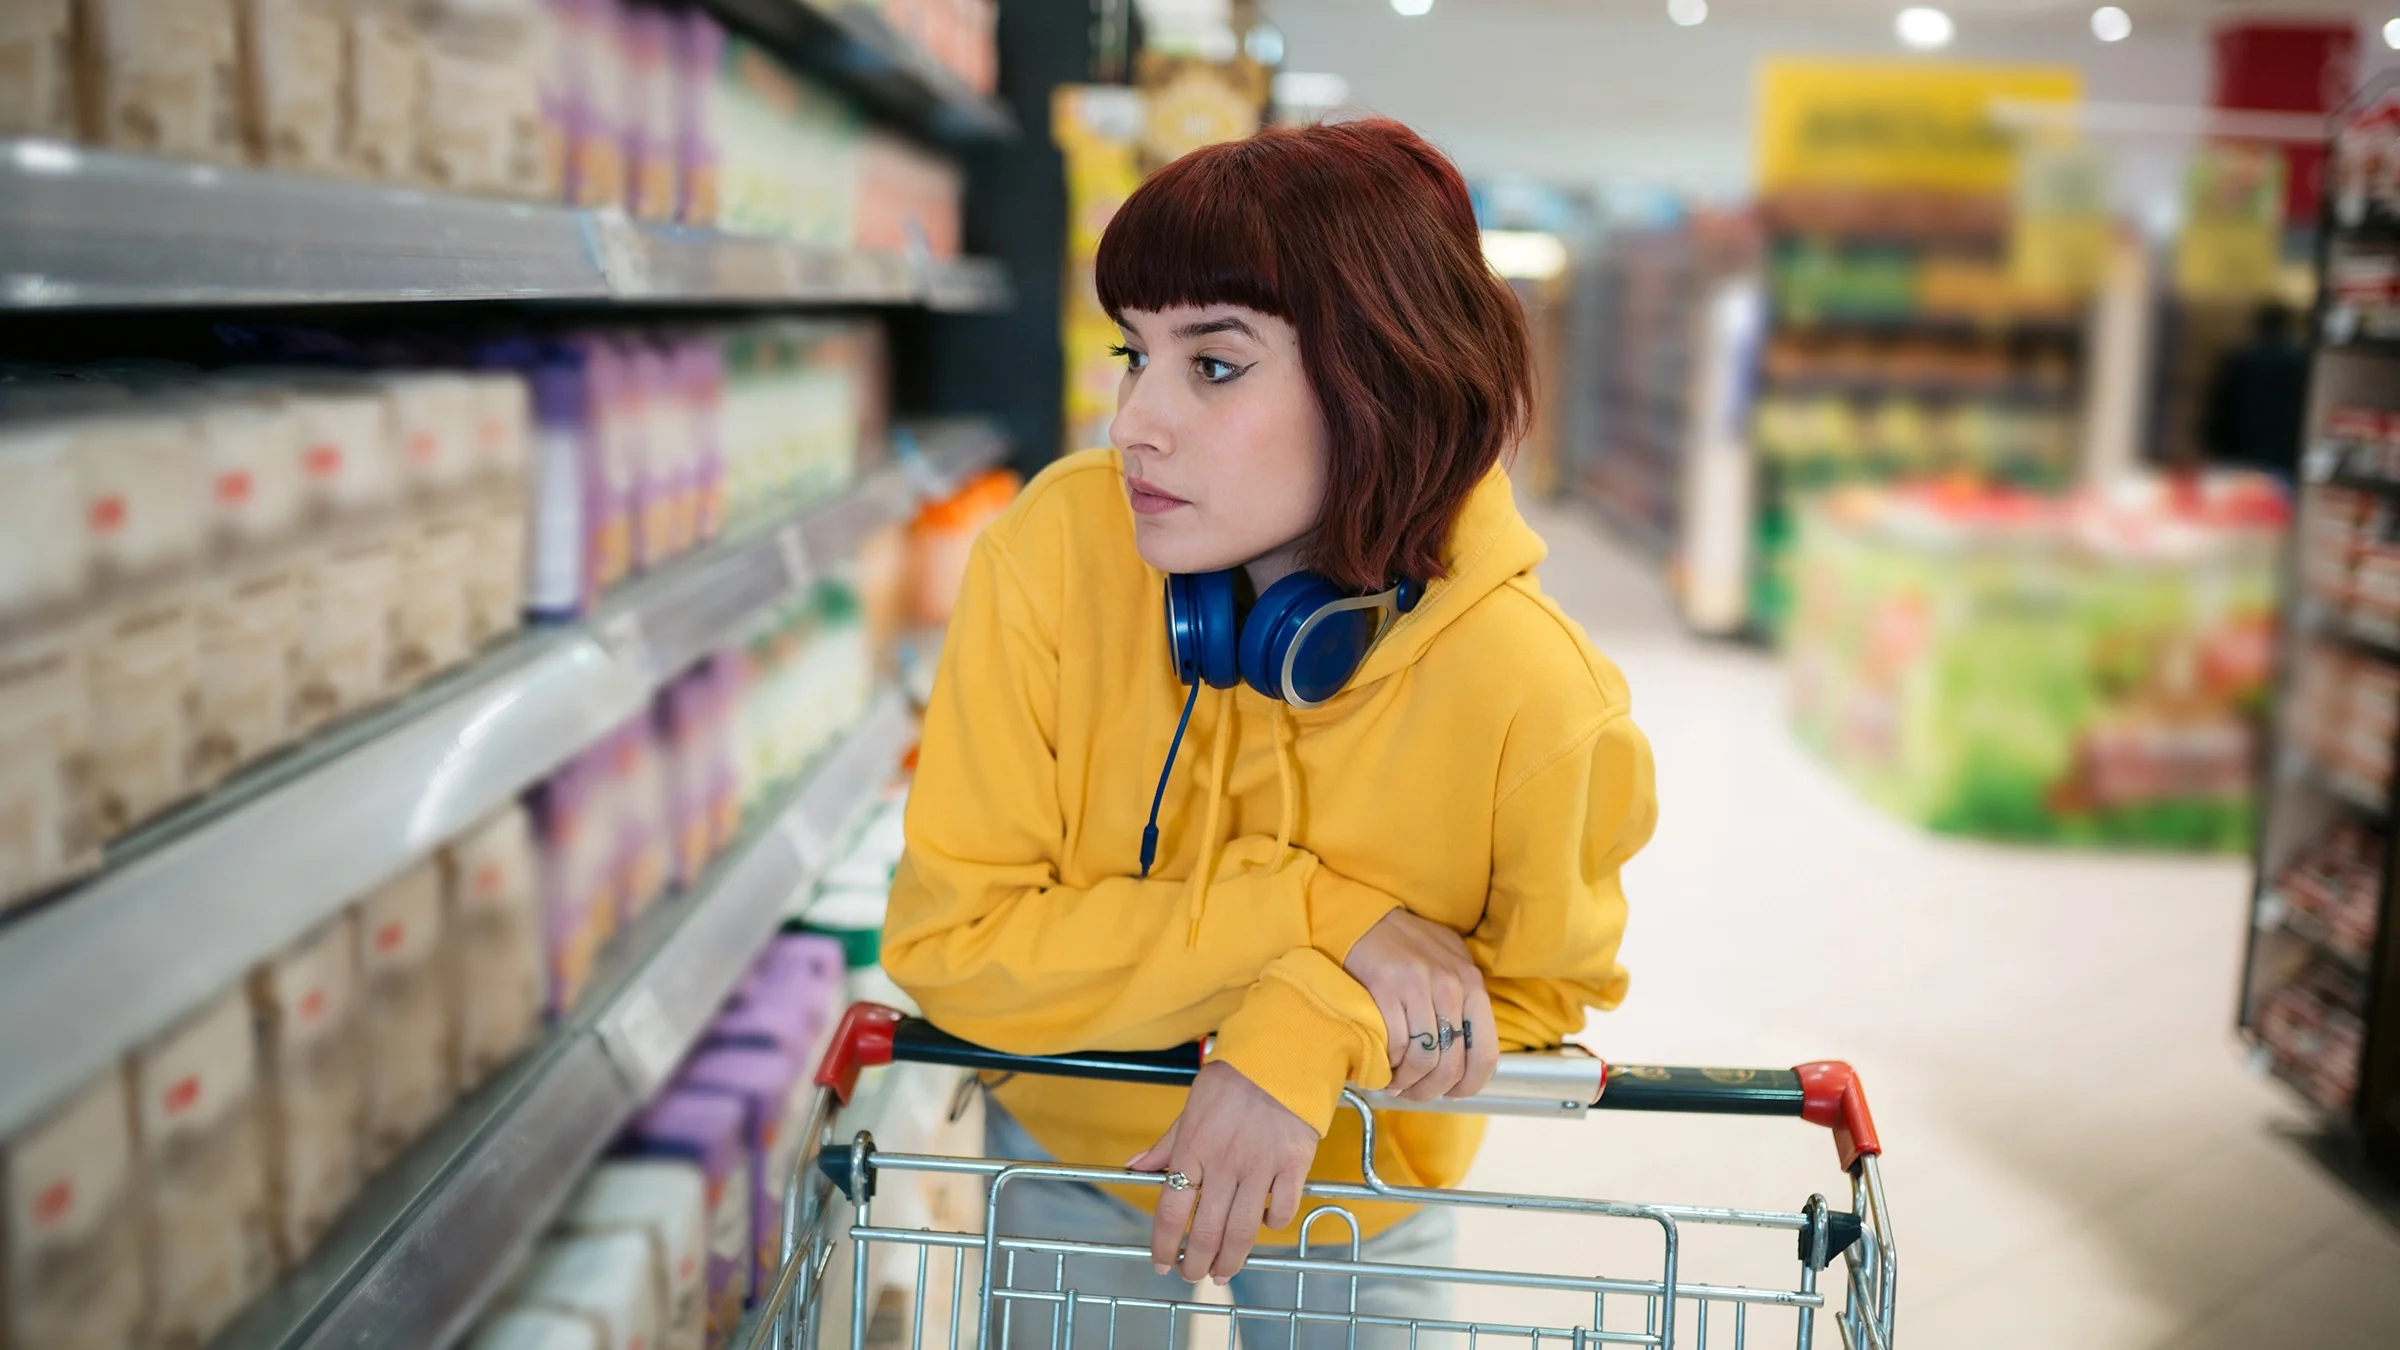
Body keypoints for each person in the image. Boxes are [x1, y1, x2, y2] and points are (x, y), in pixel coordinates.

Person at [882, 117, 1658, 1347]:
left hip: (1363, 1195)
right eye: (1134, 354)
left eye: (1217, 365)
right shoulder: (1058, 552)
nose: (1136, 420)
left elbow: (1531, 996)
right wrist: (1319, 919)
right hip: (1082, 1146)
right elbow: (951, 943)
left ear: (1384, 375)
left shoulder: (1538, 697)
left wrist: (1305, 1028)